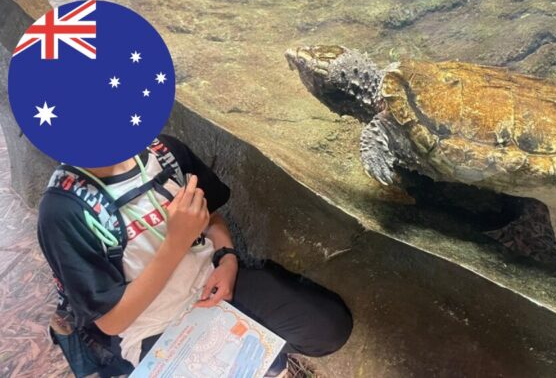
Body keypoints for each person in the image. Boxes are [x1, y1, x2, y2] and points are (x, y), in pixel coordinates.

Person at [37, 134, 352, 377]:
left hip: (212, 283)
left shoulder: (163, 151)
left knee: (329, 327)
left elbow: (210, 216)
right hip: (150, 325)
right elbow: (111, 321)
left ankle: (256, 353)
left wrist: (227, 258)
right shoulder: (63, 210)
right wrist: (176, 242)